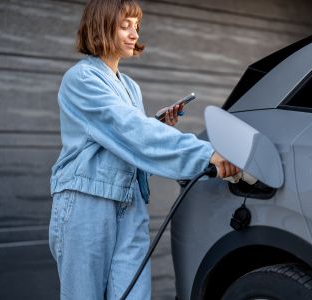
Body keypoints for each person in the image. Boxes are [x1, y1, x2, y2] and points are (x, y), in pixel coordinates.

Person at [48, 0, 239, 299]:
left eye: (136, 26)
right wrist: (205, 154)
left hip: (131, 204)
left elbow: (130, 136)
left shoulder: (131, 87)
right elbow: (131, 132)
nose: (134, 33)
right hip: (88, 204)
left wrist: (157, 123)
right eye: (125, 25)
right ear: (100, 26)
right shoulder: (81, 79)